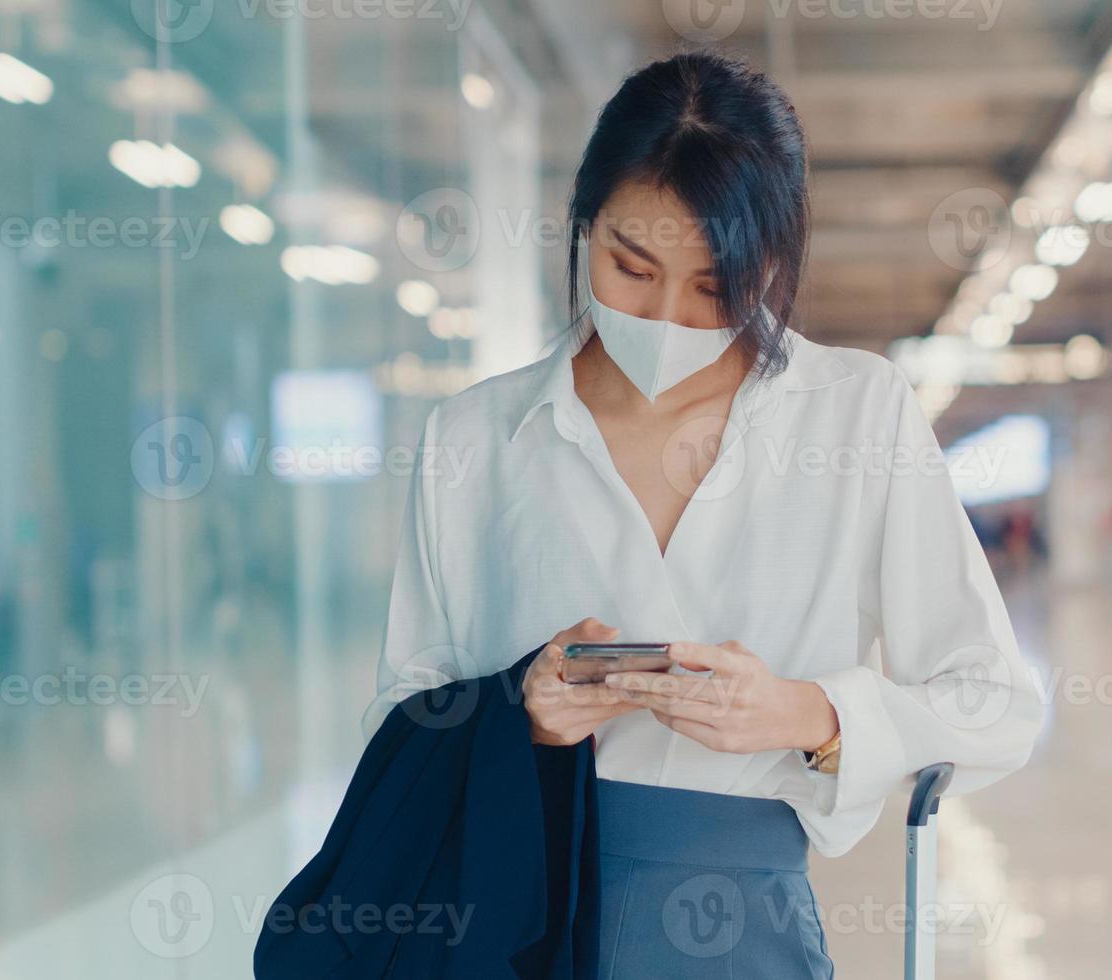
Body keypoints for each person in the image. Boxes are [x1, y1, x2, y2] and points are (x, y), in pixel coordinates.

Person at [365, 52, 1042, 978]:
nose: (669, 317)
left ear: (773, 262)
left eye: (716, 287)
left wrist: (807, 714)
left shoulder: (856, 414)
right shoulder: (474, 438)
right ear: (581, 226)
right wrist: (515, 711)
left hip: (744, 936)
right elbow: (404, 715)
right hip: (514, 924)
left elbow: (995, 705)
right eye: (630, 267)